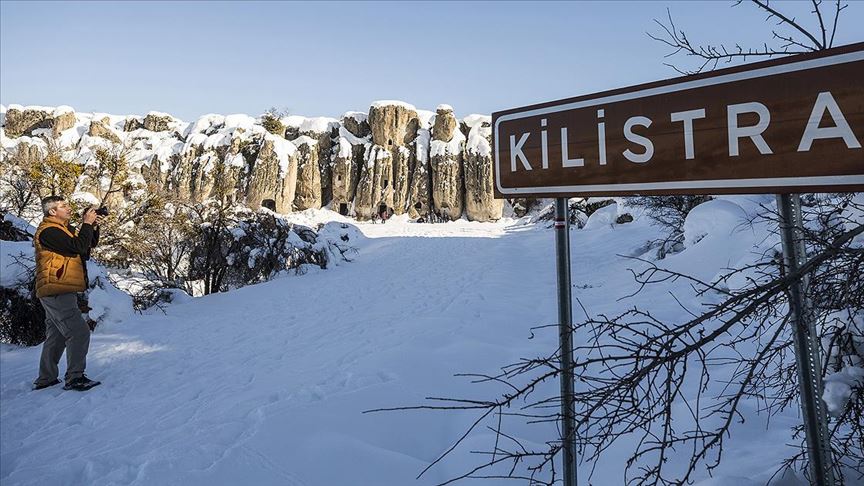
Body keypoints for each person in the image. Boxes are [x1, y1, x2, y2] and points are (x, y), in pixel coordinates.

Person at [31, 196, 103, 392]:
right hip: (57, 289)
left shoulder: (63, 230)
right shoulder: (49, 231)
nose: (68, 208)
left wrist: (92, 226)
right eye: (63, 206)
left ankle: (46, 379)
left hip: (58, 289)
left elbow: (85, 248)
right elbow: (78, 246)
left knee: (56, 335)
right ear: (52, 212)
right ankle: (75, 377)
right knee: (78, 331)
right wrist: (86, 223)